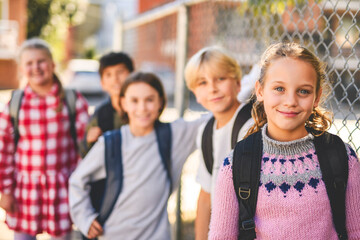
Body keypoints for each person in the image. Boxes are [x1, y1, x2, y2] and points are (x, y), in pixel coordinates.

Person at [209, 42, 360, 239]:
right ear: (260, 91)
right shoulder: (235, 165)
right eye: (279, 88)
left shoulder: (342, 157)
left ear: (317, 97)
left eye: (303, 91)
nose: (290, 101)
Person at [69, 72, 205, 240]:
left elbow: (214, 117)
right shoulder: (110, 143)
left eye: (149, 100)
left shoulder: (175, 134)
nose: (142, 108)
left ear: (160, 102)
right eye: (134, 101)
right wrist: (85, 219)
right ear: (123, 103)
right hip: (113, 234)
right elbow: (77, 181)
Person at [0, 38, 89, 240]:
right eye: (29, 63)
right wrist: (5, 191)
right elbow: (3, 150)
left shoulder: (72, 100)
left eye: (41, 61)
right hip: (25, 190)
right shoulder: (16, 102)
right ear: (22, 68)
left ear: (52, 64)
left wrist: (80, 185)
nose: (36, 67)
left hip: (62, 189)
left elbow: (86, 148)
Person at [184, 46, 255, 240]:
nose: (213, 88)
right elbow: (206, 195)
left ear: (238, 83)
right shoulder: (206, 131)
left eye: (221, 79)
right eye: (203, 83)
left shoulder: (249, 126)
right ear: (195, 93)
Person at [80, 52, 134, 157]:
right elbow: (84, 153)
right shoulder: (100, 115)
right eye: (108, 74)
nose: (115, 79)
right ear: (102, 83)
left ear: (132, 74)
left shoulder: (141, 109)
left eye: (120, 72)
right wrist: (89, 141)